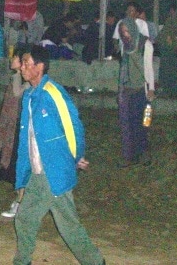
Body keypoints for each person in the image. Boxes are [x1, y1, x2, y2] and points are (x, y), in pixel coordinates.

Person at [13, 45, 105, 265]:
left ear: (39, 67)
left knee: (32, 219)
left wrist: (75, 156)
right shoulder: (29, 96)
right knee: (59, 223)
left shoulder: (53, 93)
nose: (22, 67)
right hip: (40, 171)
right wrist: (22, 176)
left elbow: (73, 127)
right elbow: (27, 140)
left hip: (52, 170)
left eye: (26, 63)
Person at [117, 1, 156, 167]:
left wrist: (151, 88)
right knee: (127, 124)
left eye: (127, 31)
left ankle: (144, 151)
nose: (125, 34)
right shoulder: (125, 46)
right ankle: (129, 154)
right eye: (122, 32)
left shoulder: (145, 44)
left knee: (144, 121)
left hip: (142, 89)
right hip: (127, 89)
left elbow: (148, 67)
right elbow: (123, 69)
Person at [0, 45, 29, 218]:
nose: (11, 60)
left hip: (19, 129)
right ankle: (20, 202)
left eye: (15, 57)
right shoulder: (19, 79)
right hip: (13, 128)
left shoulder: (24, 81)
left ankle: (20, 204)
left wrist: (17, 76)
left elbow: (16, 94)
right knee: (15, 168)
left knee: (19, 168)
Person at [156, 4, 177, 96]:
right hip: (169, 50)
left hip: (172, 50)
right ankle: (170, 90)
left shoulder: (175, 21)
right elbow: (162, 36)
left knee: (171, 70)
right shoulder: (174, 21)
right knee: (170, 70)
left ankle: (171, 90)